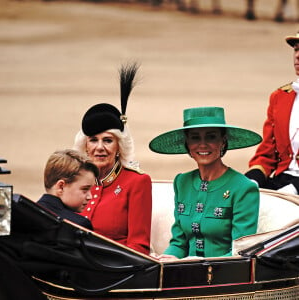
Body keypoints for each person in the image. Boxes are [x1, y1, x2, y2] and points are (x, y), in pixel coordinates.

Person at [149, 106, 262, 260]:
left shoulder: (243, 188)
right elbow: (179, 243)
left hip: (225, 277)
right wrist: (165, 259)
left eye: (211, 137)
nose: (202, 145)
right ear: (187, 143)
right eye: (195, 138)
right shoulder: (182, 182)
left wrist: (198, 263)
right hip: (186, 273)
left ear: (223, 141)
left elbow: (241, 252)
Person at [73, 63, 152, 255]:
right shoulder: (73, 181)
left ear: (119, 147)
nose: (100, 147)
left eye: (108, 140)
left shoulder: (136, 182)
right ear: (85, 146)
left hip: (113, 272)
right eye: (93, 140)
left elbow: (138, 247)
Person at [245, 31, 299, 195]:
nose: (297, 56)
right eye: (296, 49)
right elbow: (267, 153)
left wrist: (295, 189)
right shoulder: (280, 97)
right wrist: (252, 180)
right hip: (282, 180)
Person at [37, 149, 98, 230]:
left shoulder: (24, 214)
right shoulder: (78, 225)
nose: (90, 196)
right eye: (85, 189)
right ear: (61, 187)